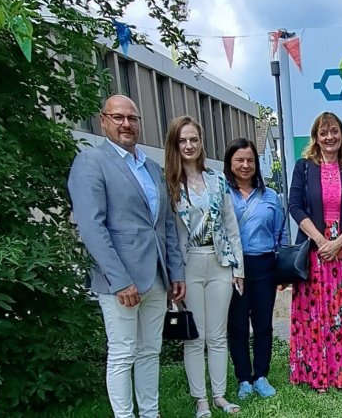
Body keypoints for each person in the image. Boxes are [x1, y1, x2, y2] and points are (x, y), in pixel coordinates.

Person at [68, 95, 185, 418]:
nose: (126, 124)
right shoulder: (91, 162)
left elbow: (165, 225)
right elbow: (93, 228)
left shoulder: (150, 167)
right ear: (103, 120)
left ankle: (150, 413)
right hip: (120, 282)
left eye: (132, 118)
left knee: (150, 351)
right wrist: (120, 280)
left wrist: (176, 272)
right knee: (122, 353)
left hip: (157, 278)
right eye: (118, 117)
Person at [288, 112, 342, 392]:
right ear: (315, 137)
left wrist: (338, 241)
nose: (330, 137)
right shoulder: (304, 167)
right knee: (317, 313)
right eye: (324, 132)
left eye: (335, 131)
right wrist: (320, 240)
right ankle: (319, 374)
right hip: (314, 251)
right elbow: (295, 205)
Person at [163, 116, 244, 416]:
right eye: (183, 140)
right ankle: (201, 400)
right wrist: (173, 275)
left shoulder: (217, 179)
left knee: (217, 335)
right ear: (175, 144)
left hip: (220, 262)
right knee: (194, 337)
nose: (188, 145)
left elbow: (230, 226)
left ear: (201, 142)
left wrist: (239, 269)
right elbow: (169, 234)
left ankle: (220, 395)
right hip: (188, 266)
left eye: (193, 139)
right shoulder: (169, 183)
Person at [224, 138, 288, 400]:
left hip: (264, 265)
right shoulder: (222, 194)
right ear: (230, 163)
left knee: (262, 324)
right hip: (233, 267)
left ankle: (261, 375)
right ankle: (243, 379)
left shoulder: (270, 196)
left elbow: (280, 234)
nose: (245, 165)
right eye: (239, 160)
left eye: (250, 160)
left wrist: (281, 270)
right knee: (237, 325)